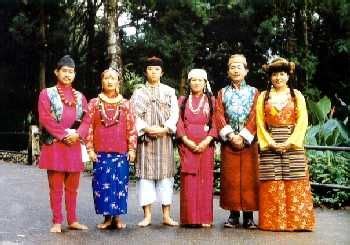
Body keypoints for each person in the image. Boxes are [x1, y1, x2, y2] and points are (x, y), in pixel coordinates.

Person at [256, 57, 315, 231]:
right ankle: (273, 222)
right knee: (272, 181)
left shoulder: (297, 96)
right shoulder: (262, 97)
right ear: (270, 77)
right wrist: (270, 142)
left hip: (292, 144)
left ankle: (298, 222)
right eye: (274, 74)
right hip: (271, 143)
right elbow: (260, 122)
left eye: (282, 74)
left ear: (288, 76)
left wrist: (290, 142)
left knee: (294, 180)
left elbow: (303, 120)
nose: (278, 78)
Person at [38, 55, 90, 232]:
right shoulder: (47, 94)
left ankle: (73, 220)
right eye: (65, 71)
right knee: (56, 185)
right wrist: (62, 135)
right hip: (55, 144)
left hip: (74, 144)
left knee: (73, 186)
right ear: (56, 72)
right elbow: (45, 118)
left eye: (71, 72)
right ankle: (57, 221)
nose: (68, 75)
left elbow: (87, 119)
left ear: (74, 74)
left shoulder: (80, 97)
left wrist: (79, 134)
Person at [130, 56, 179, 227]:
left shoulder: (169, 91)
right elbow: (133, 115)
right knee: (145, 178)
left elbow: (175, 114)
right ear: (146, 72)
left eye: (157, 69)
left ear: (162, 72)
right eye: (150, 69)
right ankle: (147, 215)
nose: (153, 72)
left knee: (166, 178)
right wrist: (146, 129)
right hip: (146, 140)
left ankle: (166, 215)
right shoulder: (139, 92)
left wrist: (165, 128)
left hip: (164, 139)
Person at [86, 68, 137, 230]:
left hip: (120, 153)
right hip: (100, 153)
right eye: (106, 78)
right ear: (102, 82)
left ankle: (117, 218)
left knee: (119, 185)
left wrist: (132, 149)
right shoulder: (94, 103)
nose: (109, 81)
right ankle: (107, 218)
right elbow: (88, 128)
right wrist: (90, 149)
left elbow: (132, 128)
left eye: (113, 78)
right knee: (102, 185)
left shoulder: (126, 104)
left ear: (118, 83)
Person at [214, 54, 259, 229]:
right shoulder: (222, 93)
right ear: (228, 71)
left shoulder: (255, 92)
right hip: (229, 142)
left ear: (246, 70)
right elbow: (218, 114)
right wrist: (231, 135)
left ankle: (249, 216)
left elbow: (257, 115)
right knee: (231, 179)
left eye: (239, 67)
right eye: (232, 67)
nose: (236, 70)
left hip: (249, 142)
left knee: (249, 178)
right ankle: (233, 215)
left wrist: (245, 135)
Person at [177, 69, 217, 227]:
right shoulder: (182, 100)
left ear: (205, 82)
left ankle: (205, 218)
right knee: (189, 181)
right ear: (189, 82)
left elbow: (216, 123)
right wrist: (186, 140)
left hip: (206, 146)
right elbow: (178, 122)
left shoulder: (212, 101)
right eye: (193, 80)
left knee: (205, 181)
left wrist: (207, 141)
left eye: (200, 80)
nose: (196, 83)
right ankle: (189, 218)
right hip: (188, 145)